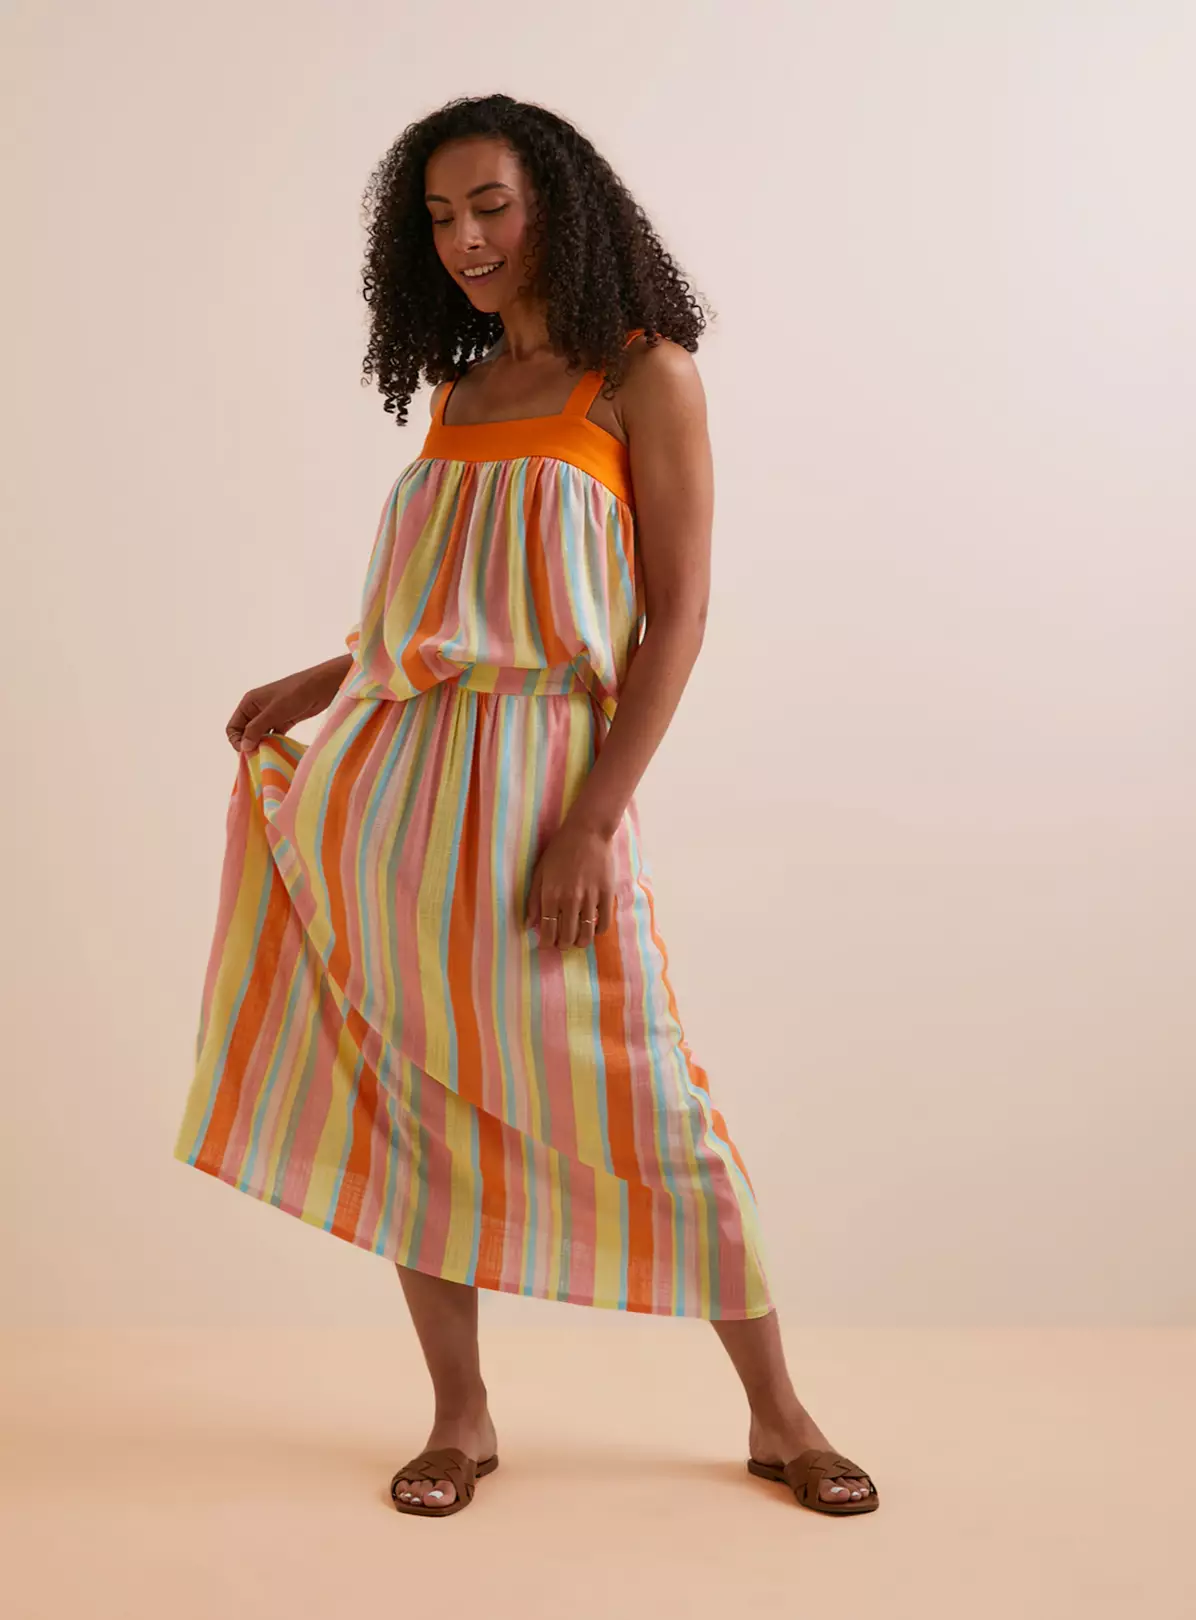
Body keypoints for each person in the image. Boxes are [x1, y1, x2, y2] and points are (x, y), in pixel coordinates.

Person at [173, 92, 878, 1521]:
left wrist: (593, 821)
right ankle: (462, 1416)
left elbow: (674, 620)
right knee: (415, 1108)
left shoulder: (644, 378)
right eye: (439, 218)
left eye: (489, 204)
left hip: (549, 792)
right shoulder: (461, 393)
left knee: (651, 1096)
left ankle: (780, 1414)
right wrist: (324, 677)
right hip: (393, 798)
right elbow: (440, 615)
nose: (466, 239)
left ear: (558, 201)